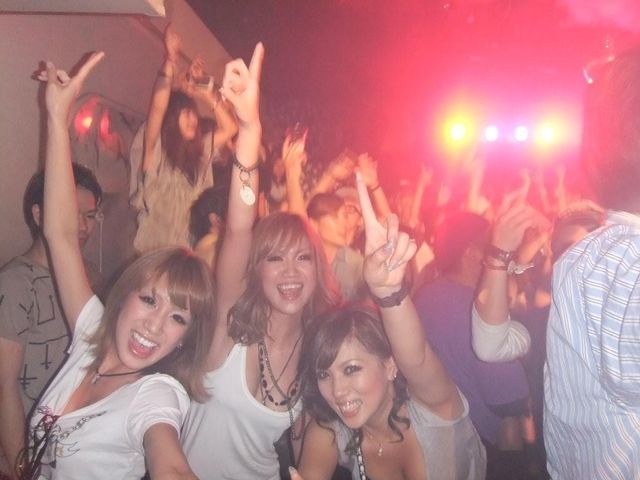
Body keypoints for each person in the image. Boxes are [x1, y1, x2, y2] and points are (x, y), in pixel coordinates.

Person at [24, 51, 215, 479]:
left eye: (178, 317)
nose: (154, 325)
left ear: (184, 340)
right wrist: (56, 118)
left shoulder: (155, 395)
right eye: (149, 299)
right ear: (125, 294)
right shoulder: (93, 333)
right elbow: (61, 236)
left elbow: (171, 465)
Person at [180, 43, 339, 479]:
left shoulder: (317, 350)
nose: (290, 271)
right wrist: (249, 131)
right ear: (257, 268)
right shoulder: (230, 320)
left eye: (303, 258)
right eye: (275, 257)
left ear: (318, 269)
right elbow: (239, 227)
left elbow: (309, 440)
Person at [297, 172, 486, 480]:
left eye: (351, 369)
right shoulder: (332, 430)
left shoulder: (435, 409)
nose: (337, 391)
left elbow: (417, 356)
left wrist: (387, 292)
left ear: (390, 365)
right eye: (324, 374)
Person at [0, 165, 102, 479]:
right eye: (73, 213)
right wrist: (21, 469)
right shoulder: (15, 283)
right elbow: (5, 386)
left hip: (67, 450)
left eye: (90, 216)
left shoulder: (90, 276)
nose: (82, 226)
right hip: (25, 452)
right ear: (38, 214)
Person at [130, 25, 237, 253]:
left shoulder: (200, 153)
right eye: (185, 113)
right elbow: (158, 108)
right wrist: (170, 60)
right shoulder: (156, 152)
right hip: (153, 257)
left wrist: (206, 93)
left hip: (186, 257)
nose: (193, 119)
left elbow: (230, 128)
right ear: (172, 119)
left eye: (193, 113)